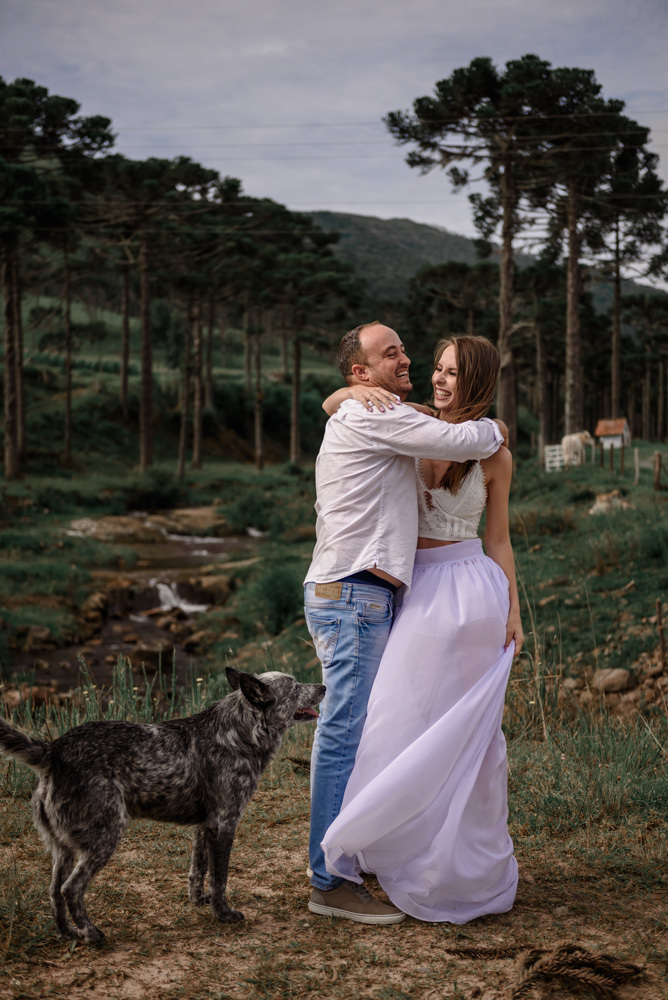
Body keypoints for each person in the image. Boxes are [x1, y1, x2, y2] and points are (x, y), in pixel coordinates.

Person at [304, 321, 505, 925]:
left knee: (365, 727)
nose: (407, 359)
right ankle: (327, 878)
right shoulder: (376, 416)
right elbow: (472, 436)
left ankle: (353, 852)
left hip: (365, 593)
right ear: (362, 372)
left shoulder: (376, 412)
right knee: (344, 732)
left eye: (403, 349)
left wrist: (339, 394)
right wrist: (495, 427)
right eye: (391, 353)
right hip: (356, 592)